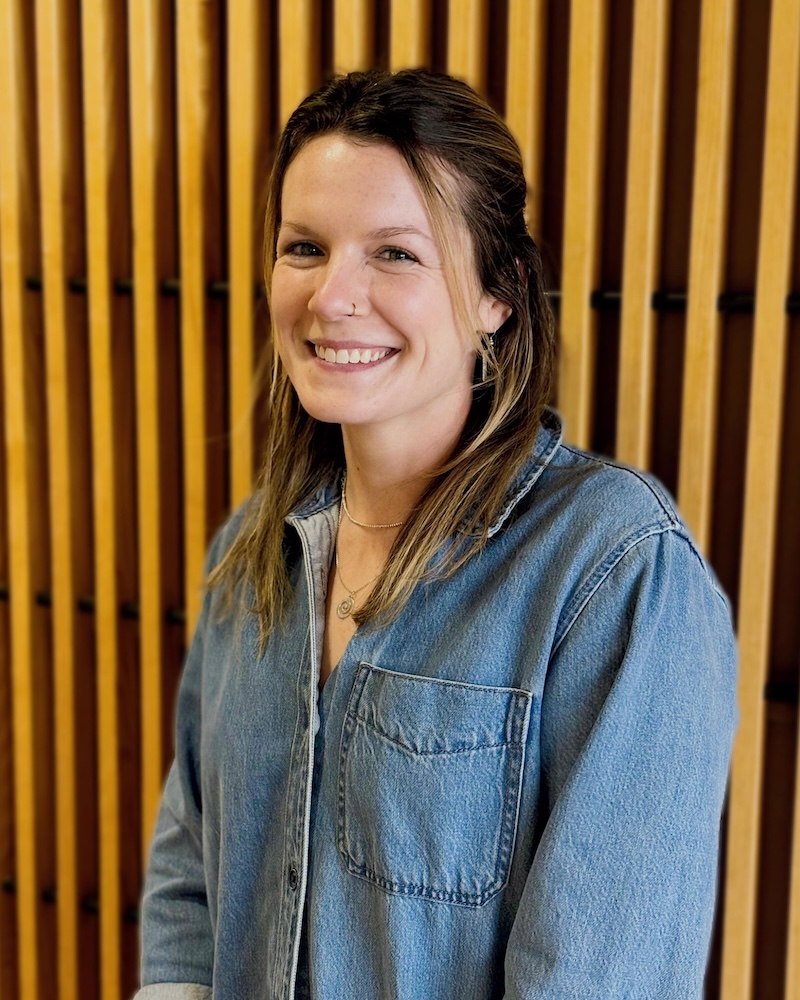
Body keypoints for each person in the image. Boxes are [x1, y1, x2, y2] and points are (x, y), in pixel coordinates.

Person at [136, 69, 737, 1000]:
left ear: (497, 295)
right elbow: (189, 874)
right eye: (305, 246)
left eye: (395, 254)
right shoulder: (252, 552)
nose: (332, 296)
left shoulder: (618, 573)